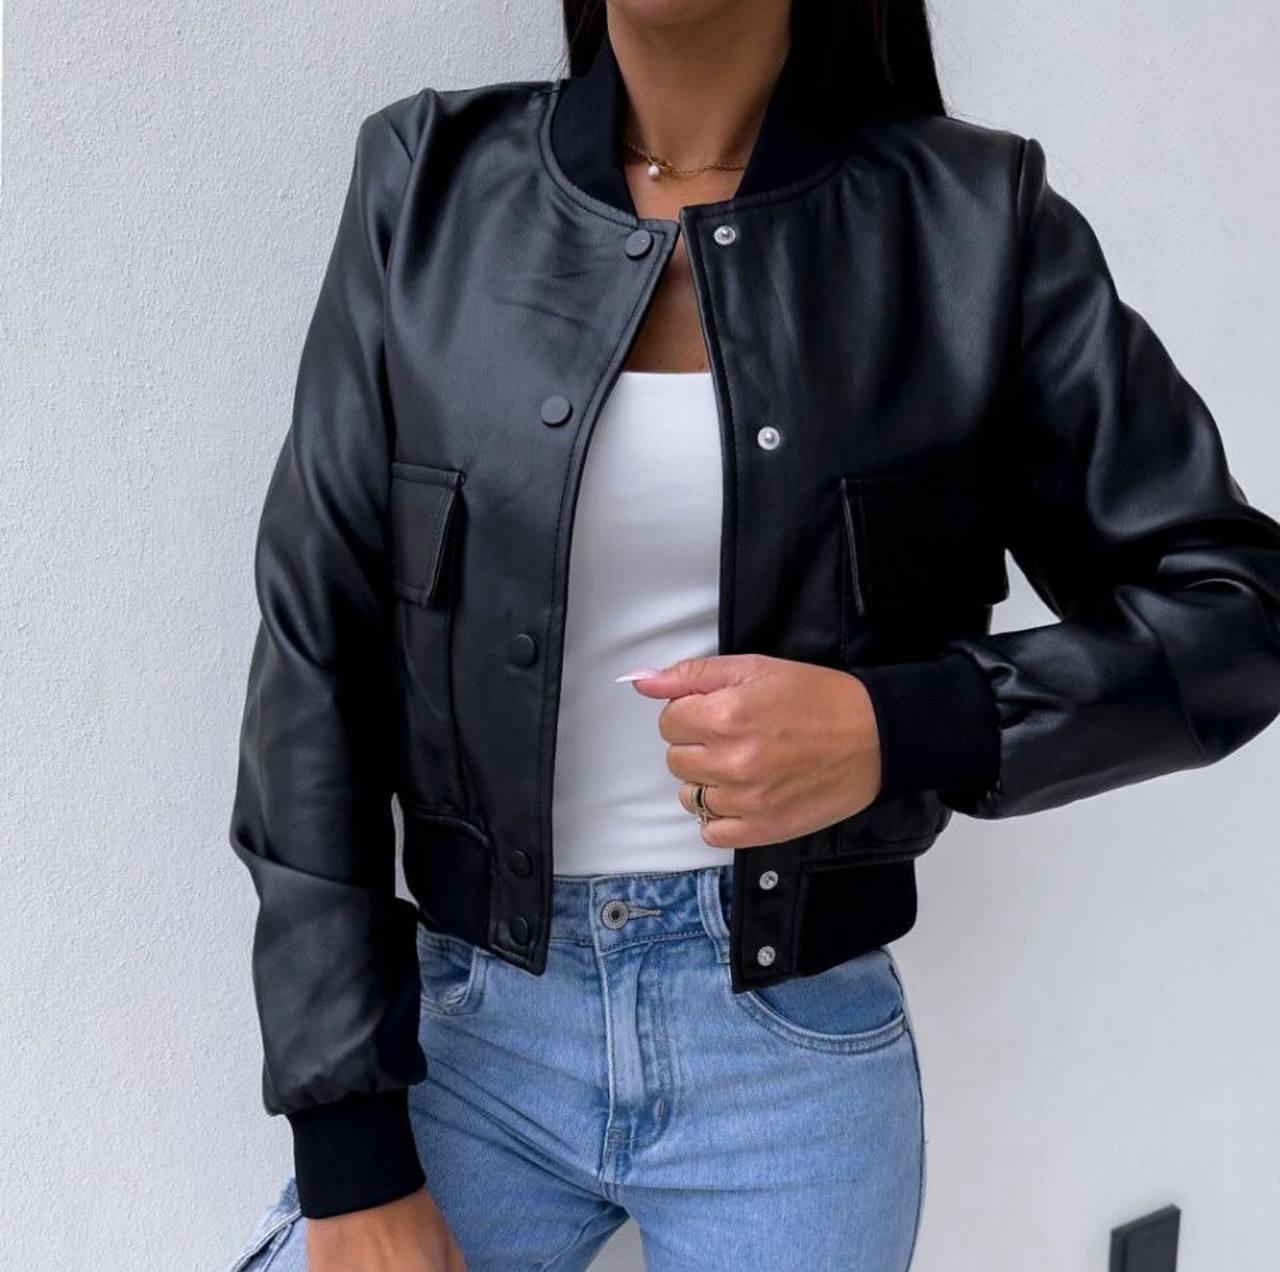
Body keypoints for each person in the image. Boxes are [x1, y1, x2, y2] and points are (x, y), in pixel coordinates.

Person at [224, 2, 1280, 1269]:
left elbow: (1235, 610)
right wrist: (347, 1148)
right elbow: (313, 652)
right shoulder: (427, 183)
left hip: (790, 1065)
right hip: (468, 1043)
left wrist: (899, 725)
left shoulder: (971, 222)